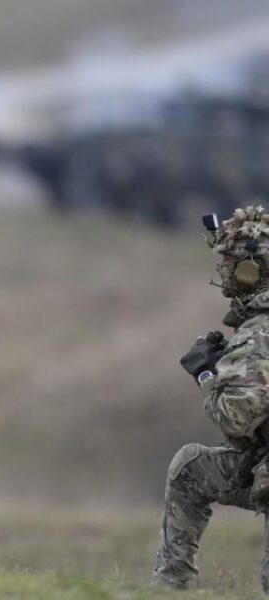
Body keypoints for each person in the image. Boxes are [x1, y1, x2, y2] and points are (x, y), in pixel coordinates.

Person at [153, 206, 269, 590]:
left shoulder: (258, 333)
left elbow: (236, 418)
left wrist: (207, 375)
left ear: (251, 270)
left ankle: (171, 586)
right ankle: (170, 587)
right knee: (191, 468)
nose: (224, 273)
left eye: (230, 263)